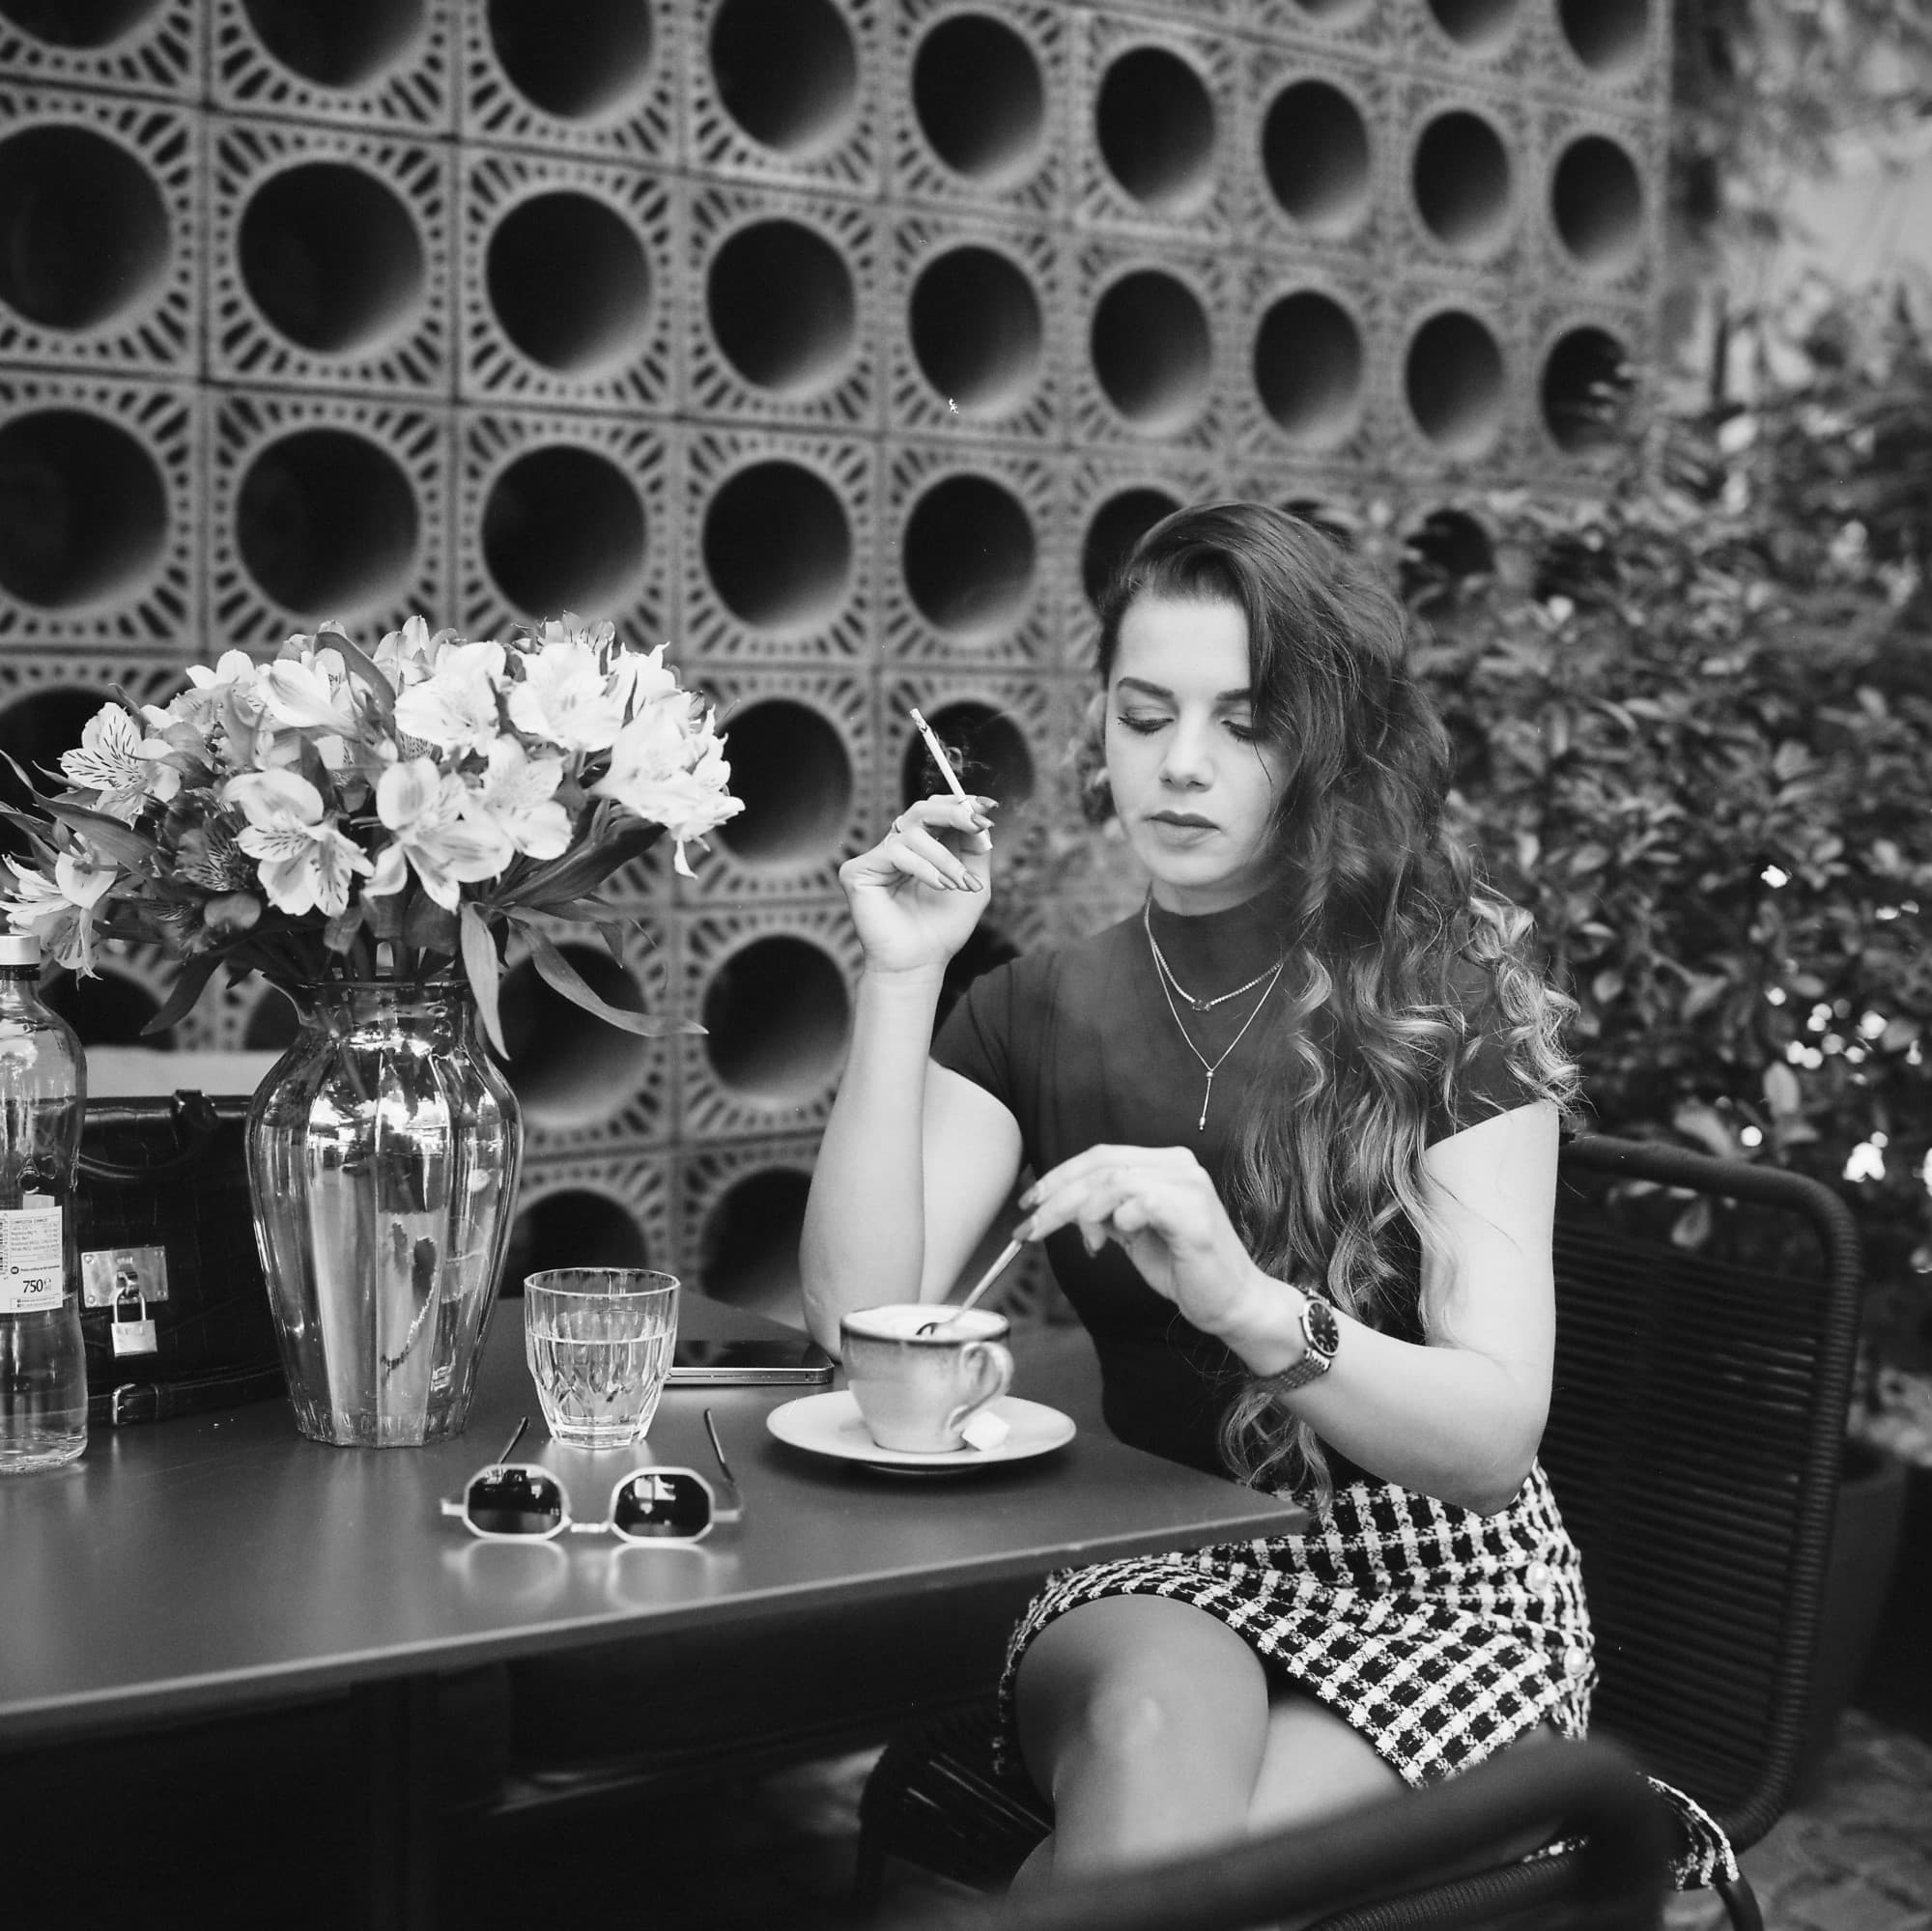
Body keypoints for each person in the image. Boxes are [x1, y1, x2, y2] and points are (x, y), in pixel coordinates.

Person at [800, 501, 1716, 1901]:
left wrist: (1245, 1304)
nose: (1181, 764)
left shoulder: (1446, 1010)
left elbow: (1489, 1437)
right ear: (1099, 726)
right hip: (1161, 1560)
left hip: (1449, 1591)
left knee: (1145, 1892)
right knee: (1148, 1733)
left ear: (1326, 743)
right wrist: (902, 979)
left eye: (1244, 722)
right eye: (1144, 713)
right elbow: (857, 1323)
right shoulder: (1034, 1008)